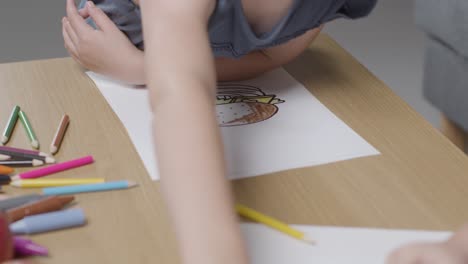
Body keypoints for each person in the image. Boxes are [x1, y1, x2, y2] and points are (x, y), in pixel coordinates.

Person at [62, 0, 376, 263]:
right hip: (129, 28)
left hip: (172, 44)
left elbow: (272, 55)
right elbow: (180, 97)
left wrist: (139, 67)